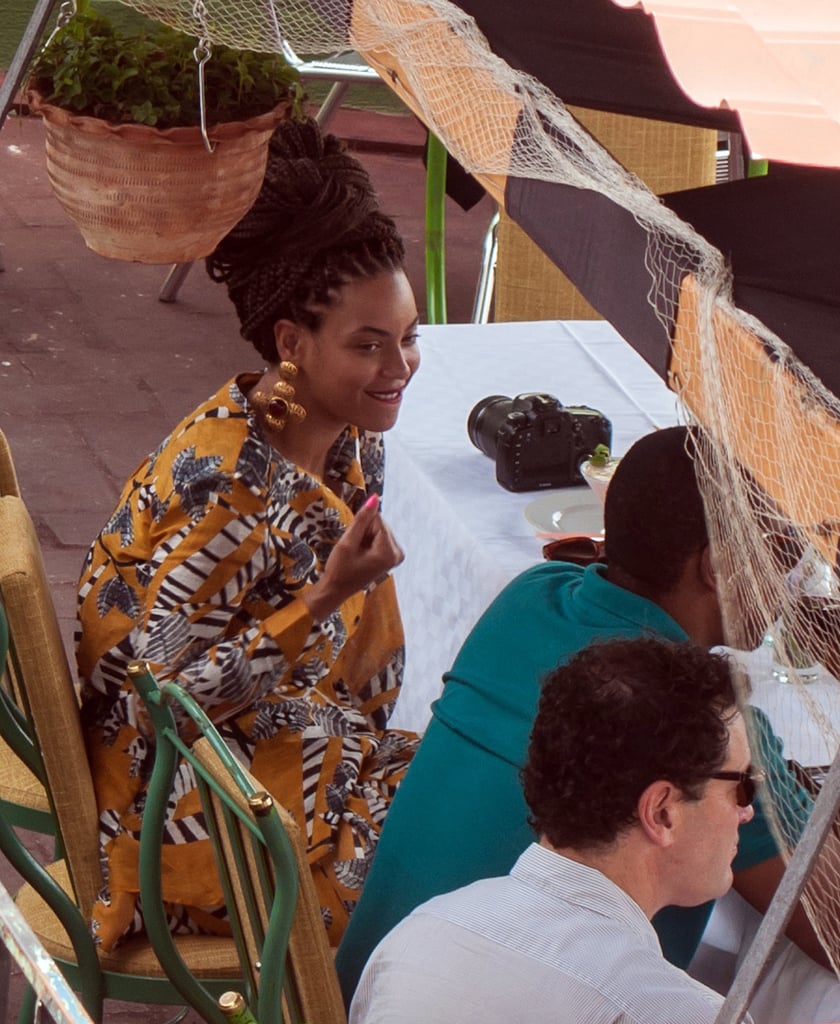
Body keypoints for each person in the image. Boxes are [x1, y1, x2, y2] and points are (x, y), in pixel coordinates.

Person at [336, 424, 832, 1016]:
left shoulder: (529, 595)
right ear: (716, 565)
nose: (790, 584)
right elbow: (829, 923)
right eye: (781, 555)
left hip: (386, 982)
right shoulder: (705, 736)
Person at [77, 116, 421, 951]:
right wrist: (327, 596)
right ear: (291, 344)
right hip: (191, 818)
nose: (400, 368)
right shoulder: (231, 496)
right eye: (369, 346)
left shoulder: (327, 436)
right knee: (436, 855)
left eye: (410, 338)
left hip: (273, 743)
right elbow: (157, 704)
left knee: (473, 786)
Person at [351, 637, 757, 1024]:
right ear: (662, 811)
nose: (748, 812)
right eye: (742, 786)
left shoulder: (418, 935)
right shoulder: (684, 1013)